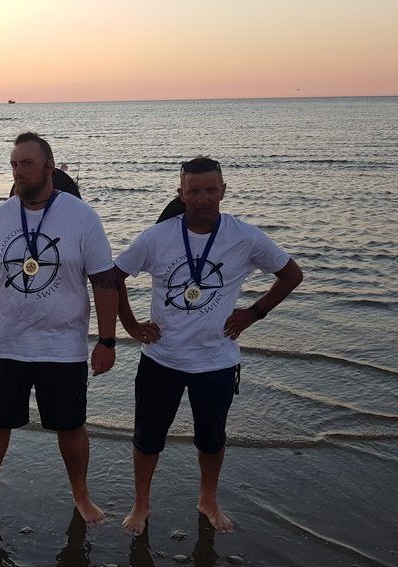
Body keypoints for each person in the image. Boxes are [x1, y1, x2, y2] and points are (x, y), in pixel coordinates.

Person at [113, 156, 303, 535]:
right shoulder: (157, 237)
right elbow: (113, 277)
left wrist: (253, 313)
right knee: (147, 439)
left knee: (212, 440)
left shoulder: (244, 236)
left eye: (210, 190)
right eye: (194, 191)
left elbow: (291, 274)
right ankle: (141, 505)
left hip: (216, 361)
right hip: (162, 359)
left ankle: (208, 500)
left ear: (223, 191)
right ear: (181, 193)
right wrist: (130, 325)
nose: (203, 198)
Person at [0, 132, 119, 526]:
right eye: (14, 164)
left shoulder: (82, 217)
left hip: (63, 347)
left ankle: (81, 495)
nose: (19, 171)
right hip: (6, 343)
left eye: (27, 163)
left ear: (49, 167)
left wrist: (107, 340)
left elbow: (104, 282)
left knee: (71, 427)